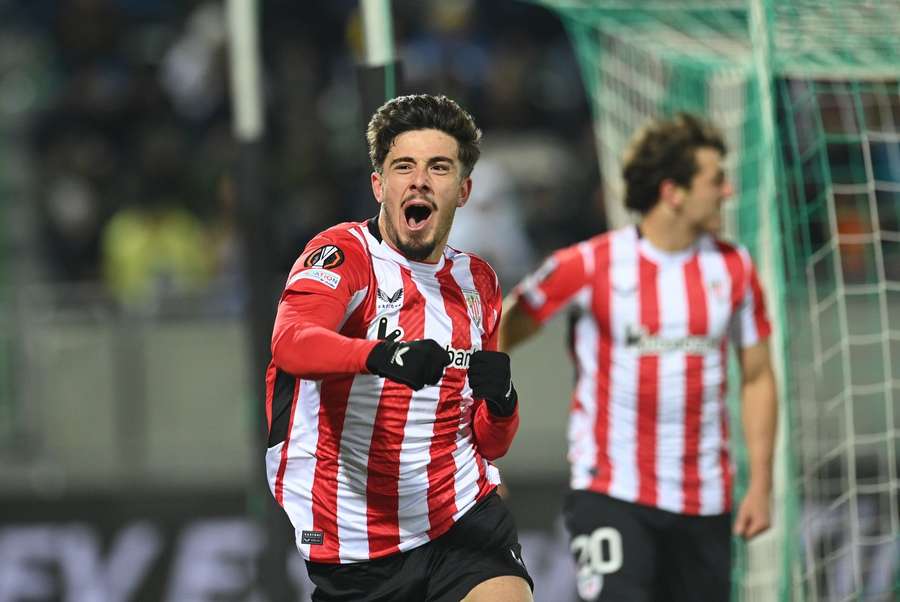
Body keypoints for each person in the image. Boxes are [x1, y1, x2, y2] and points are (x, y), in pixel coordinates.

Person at [264, 94, 534, 602]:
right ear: (379, 184)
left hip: (461, 517)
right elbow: (291, 343)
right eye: (403, 166)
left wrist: (503, 404)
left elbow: (490, 441)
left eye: (439, 167)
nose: (420, 181)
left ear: (463, 189)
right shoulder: (345, 255)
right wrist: (378, 356)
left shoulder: (478, 282)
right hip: (357, 536)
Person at [499, 113, 778, 602]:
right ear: (673, 191)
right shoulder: (589, 265)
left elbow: (757, 376)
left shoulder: (735, 269)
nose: (728, 192)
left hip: (705, 500)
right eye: (716, 180)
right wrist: (483, 439)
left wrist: (762, 484)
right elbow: (498, 329)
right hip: (612, 490)